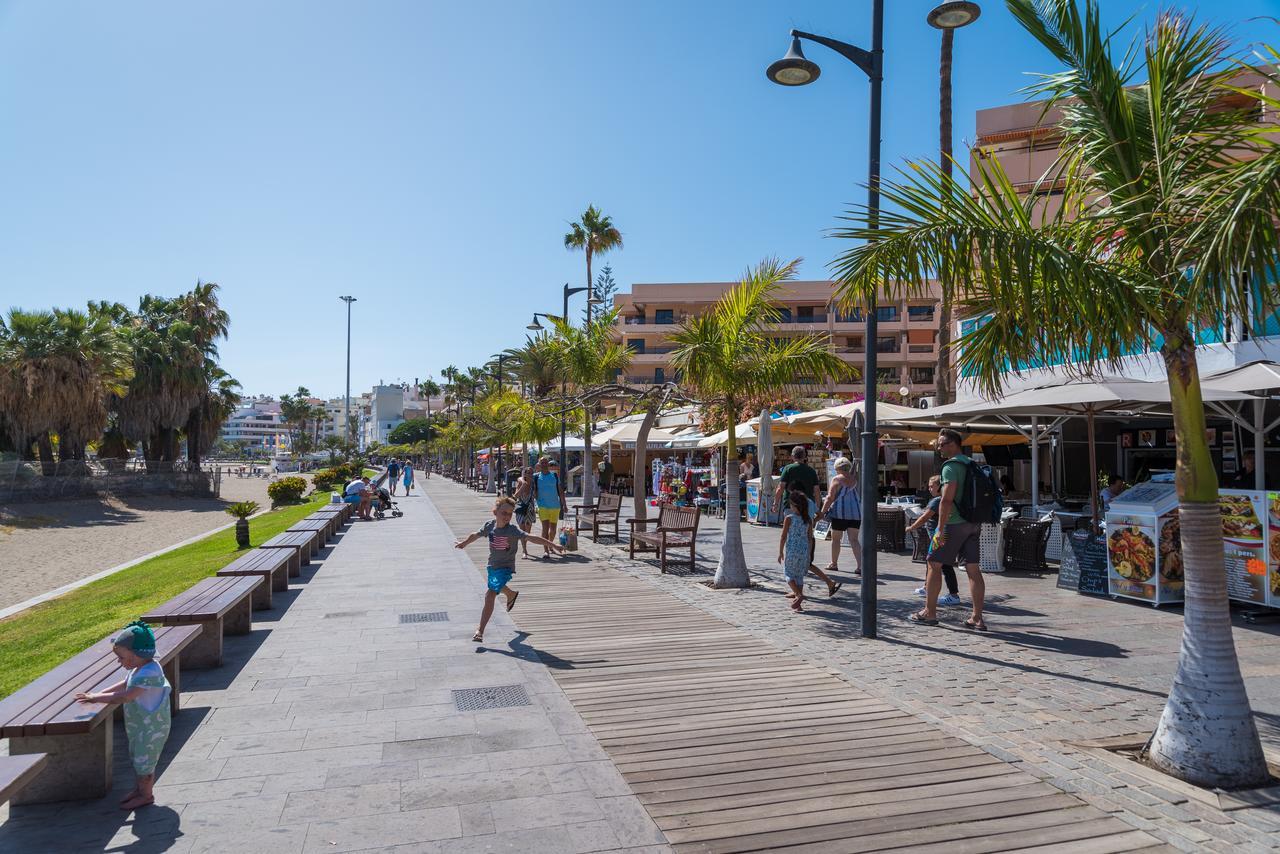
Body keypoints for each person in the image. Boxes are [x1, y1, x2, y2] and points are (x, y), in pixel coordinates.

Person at [75, 621, 171, 811]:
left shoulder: (151, 672)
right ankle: (140, 790)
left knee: (145, 762)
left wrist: (97, 698)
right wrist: (98, 694)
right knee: (138, 758)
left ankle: (146, 795)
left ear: (136, 656)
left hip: (152, 729)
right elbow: (123, 685)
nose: (119, 661)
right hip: (140, 727)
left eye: (121, 658)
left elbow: (127, 696)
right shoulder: (139, 669)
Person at [456, 496, 563, 642]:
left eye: (510, 513)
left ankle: (480, 630)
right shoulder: (490, 525)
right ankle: (511, 594)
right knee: (496, 586)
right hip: (492, 565)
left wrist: (553, 545)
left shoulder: (512, 530)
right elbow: (476, 534)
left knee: (490, 595)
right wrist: (464, 543)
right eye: (504, 513)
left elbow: (531, 537)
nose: (507, 516)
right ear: (495, 512)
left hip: (505, 568)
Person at [911, 428, 987, 630]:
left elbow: (946, 499)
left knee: (933, 563)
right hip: (973, 523)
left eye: (941, 444)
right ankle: (977, 617)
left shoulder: (950, 466)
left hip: (954, 523)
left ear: (953, 444)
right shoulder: (971, 463)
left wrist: (940, 527)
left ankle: (929, 612)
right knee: (973, 568)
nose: (938, 447)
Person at [779, 489, 840, 611]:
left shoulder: (789, 518)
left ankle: (798, 595)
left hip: (791, 552)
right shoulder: (808, 520)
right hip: (804, 552)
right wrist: (808, 553)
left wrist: (780, 551)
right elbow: (810, 538)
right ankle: (798, 605)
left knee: (788, 575)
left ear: (794, 506)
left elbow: (783, 536)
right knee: (799, 576)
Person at [905, 475, 962, 606]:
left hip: (939, 538)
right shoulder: (946, 499)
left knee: (944, 565)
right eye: (929, 486)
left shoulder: (937, 501)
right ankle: (927, 588)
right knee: (931, 563)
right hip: (941, 536)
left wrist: (911, 527)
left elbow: (925, 517)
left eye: (932, 486)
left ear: (940, 486)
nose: (929, 489)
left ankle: (953, 595)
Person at [817, 456, 862, 576]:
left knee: (836, 539)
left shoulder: (836, 479)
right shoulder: (854, 479)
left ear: (837, 468)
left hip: (840, 513)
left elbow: (830, 498)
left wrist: (822, 512)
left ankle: (834, 563)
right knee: (854, 540)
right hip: (855, 514)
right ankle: (860, 566)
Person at [532, 456, 567, 557]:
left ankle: (550, 545)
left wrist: (564, 504)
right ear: (539, 464)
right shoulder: (536, 476)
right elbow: (532, 489)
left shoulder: (554, 476)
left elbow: (560, 491)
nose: (543, 464)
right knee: (545, 529)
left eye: (545, 462)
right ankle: (546, 550)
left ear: (548, 464)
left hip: (555, 506)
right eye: (541, 463)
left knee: (553, 530)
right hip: (542, 506)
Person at [513, 465, 538, 557]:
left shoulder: (534, 483)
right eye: (528, 473)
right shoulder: (520, 482)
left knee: (527, 531)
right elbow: (516, 495)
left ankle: (525, 548)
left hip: (530, 509)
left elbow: (536, 496)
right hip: (520, 508)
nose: (530, 474)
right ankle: (524, 550)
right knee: (522, 530)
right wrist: (523, 486)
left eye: (532, 473)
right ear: (524, 474)